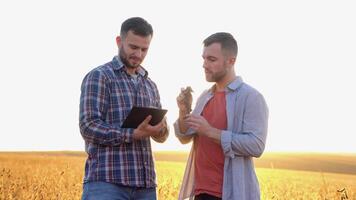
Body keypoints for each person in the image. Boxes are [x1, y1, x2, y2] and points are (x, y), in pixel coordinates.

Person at [79, 17, 169, 200]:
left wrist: (160, 130)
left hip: (145, 186)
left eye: (144, 49)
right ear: (119, 42)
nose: (139, 54)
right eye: (133, 47)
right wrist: (132, 134)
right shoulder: (100, 76)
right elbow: (88, 126)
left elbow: (162, 136)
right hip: (107, 183)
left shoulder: (150, 84)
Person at [175, 32, 268, 200]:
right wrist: (183, 111)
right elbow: (185, 136)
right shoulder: (205, 96)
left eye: (211, 59)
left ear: (231, 61)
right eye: (203, 59)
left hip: (231, 193)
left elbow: (256, 145)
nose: (204, 64)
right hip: (201, 192)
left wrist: (210, 131)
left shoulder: (251, 97)